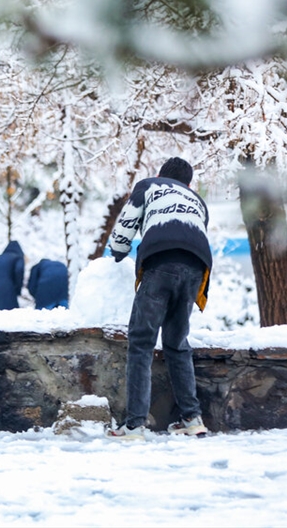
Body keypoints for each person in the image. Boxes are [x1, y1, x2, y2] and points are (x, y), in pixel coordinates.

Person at [105, 157, 213, 440]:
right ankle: (192, 419)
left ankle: (135, 425)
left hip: (161, 261)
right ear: (188, 184)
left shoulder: (149, 186)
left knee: (141, 342)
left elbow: (126, 224)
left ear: (160, 174)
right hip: (196, 267)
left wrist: (117, 252)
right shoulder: (197, 200)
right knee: (177, 344)